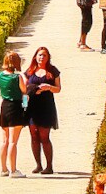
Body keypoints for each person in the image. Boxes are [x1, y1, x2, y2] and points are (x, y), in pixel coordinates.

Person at [24, 46, 62, 174]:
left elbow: (58, 89)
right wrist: (24, 107)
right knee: (34, 136)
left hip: (46, 107)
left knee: (44, 137)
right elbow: (24, 90)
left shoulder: (53, 71)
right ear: (35, 56)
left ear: (48, 57)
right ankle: (38, 164)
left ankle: (49, 166)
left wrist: (49, 87)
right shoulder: (29, 71)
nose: (41, 57)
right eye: (39, 55)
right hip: (32, 107)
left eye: (44, 55)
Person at [0, 50, 29, 178]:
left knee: (4, 141)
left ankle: (4, 169)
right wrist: (25, 106)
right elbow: (24, 92)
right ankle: (14, 170)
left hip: (4, 106)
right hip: (15, 107)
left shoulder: (0, 75)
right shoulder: (17, 77)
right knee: (13, 142)